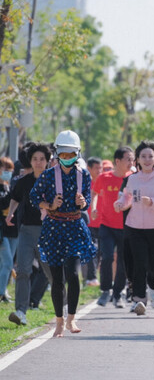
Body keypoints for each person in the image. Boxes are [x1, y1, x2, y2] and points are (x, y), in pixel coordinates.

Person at [29, 130, 96, 337]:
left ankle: (71, 319)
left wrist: (83, 202)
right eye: (63, 155)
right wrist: (49, 205)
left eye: (71, 155)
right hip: (54, 228)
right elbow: (33, 197)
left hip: (75, 227)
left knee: (73, 274)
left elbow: (86, 199)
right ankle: (58, 321)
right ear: (57, 154)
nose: (67, 159)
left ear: (78, 154)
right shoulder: (48, 175)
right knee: (57, 278)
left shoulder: (83, 174)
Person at [114, 141, 154, 316]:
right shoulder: (132, 179)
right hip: (134, 226)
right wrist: (120, 204)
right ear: (138, 160)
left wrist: (153, 202)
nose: (147, 160)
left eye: (150, 156)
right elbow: (127, 199)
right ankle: (138, 300)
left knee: (153, 262)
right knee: (138, 262)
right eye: (143, 157)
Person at [7, 143, 53, 326]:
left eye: (42, 159)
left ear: (48, 161)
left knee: (51, 270)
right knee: (23, 270)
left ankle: (63, 306)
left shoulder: (53, 181)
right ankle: (21, 311)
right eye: (35, 159)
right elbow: (15, 198)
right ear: (30, 161)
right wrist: (11, 213)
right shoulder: (24, 181)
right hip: (26, 230)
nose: (38, 162)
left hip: (48, 231)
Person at [92, 147, 134, 308]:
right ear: (118, 161)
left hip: (126, 226)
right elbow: (95, 193)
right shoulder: (104, 177)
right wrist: (94, 208)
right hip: (107, 225)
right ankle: (105, 290)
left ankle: (118, 294)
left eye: (132, 159)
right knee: (107, 257)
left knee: (123, 261)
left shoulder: (133, 178)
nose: (131, 162)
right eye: (128, 159)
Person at [0, 157, 17, 303]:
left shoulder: (7, 187)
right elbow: (4, 203)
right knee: (7, 263)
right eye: (5, 170)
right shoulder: (6, 190)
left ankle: (3, 290)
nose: (7, 173)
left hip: (11, 231)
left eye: (9, 170)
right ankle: (1, 293)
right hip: (2, 233)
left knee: (6, 263)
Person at [84, 156, 102, 286]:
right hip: (89, 223)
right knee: (92, 250)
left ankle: (94, 277)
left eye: (100, 168)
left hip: (104, 223)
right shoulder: (84, 183)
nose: (99, 170)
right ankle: (91, 278)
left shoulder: (104, 182)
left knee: (101, 252)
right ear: (89, 168)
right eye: (96, 168)